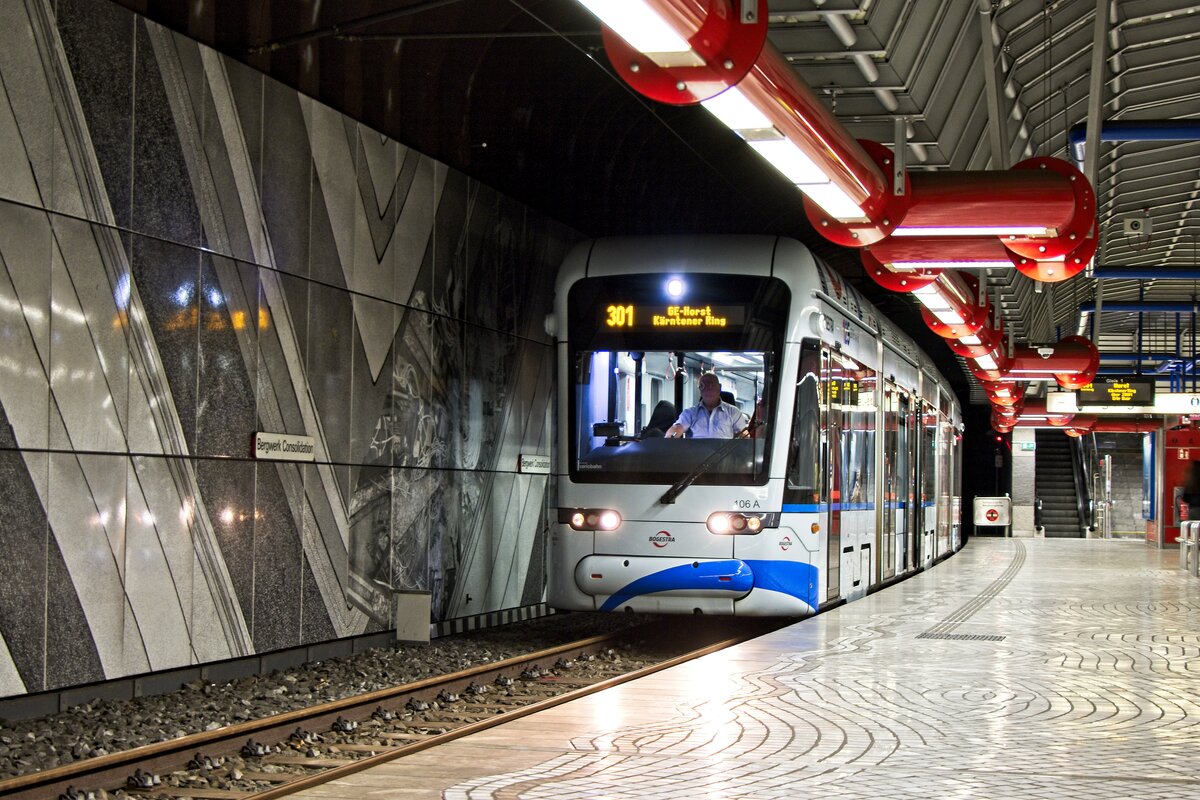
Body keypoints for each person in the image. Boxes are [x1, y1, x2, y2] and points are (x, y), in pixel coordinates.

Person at [666, 372, 747, 439]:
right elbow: (678, 428)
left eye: (712, 386)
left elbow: (744, 436)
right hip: (698, 457)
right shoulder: (690, 413)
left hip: (724, 457)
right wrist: (671, 437)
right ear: (700, 389)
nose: (708, 389)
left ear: (719, 388)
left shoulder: (733, 412)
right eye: (703, 386)